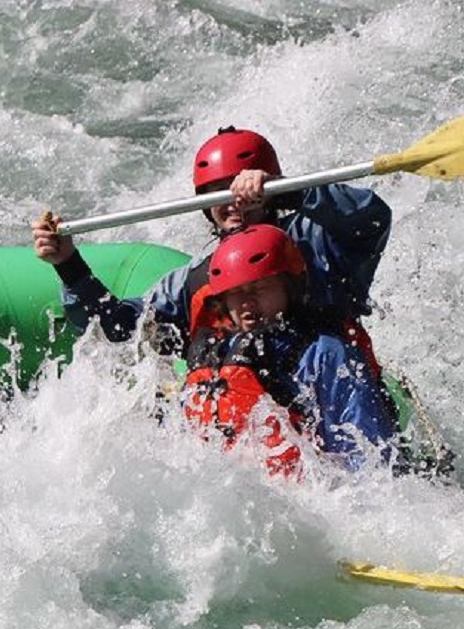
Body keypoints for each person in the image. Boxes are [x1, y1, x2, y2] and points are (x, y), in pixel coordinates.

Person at [32, 126, 391, 356]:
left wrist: (289, 193)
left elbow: (371, 218)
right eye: (215, 193)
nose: (232, 200)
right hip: (250, 419)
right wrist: (69, 265)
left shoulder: (318, 239)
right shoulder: (193, 280)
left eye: (240, 187)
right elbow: (118, 330)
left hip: (333, 386)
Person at [179, 224, 398, 477]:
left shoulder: (325, 354)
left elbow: (367, 458)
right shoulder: (215, 356)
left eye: (259, 288)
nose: (247, 303)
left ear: (288, 286)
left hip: (316, 488)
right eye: (236, 294)